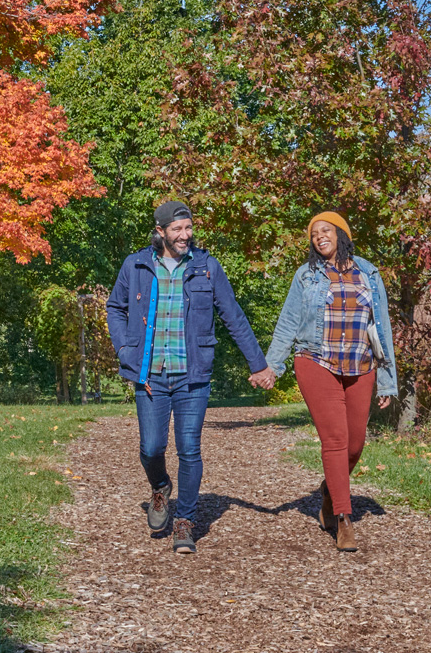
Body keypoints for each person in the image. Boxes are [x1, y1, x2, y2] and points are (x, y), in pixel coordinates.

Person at [106, 200, 273, 554]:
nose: (185, 235)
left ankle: (184, 522)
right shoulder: (136, 265)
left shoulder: (206, 267)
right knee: (151, 448)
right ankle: (161, 486)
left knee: (189, 449)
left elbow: (234, 316)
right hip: (149, 374)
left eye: (188, 228)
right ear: (160, 231)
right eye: (177, 229)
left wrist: (257, 364)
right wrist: (124, 350)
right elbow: (115, 307)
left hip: (191, 376)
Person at [259, 211, 398, 553]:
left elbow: (382, 327)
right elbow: (288, 322)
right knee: (335, 439)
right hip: (315, 361)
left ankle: (328, 491)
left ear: (341, 234)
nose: (319, 236)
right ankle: (343, 518)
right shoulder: (306, 276)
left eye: (326, 230)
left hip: (361, 366)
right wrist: (272, 366)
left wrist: (387, 379)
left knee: (354, 445)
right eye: (314, 233)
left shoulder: (368, 272)